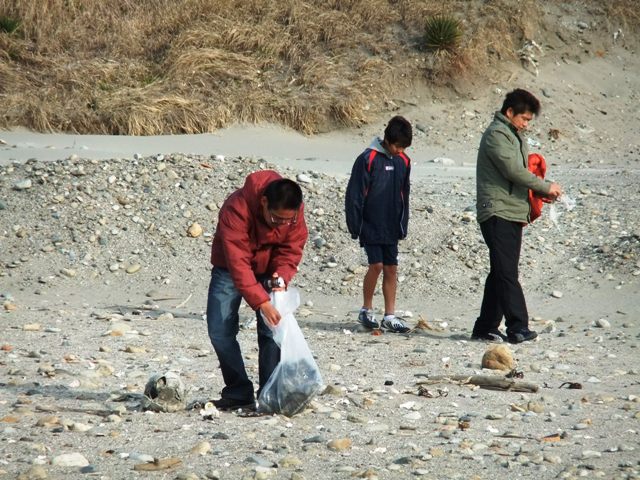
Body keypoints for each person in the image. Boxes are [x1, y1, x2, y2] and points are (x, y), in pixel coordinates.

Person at [206, 170, 308, 410]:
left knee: (271, 332)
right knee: (219, 330)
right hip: (229, 269)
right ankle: (238, 391)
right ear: (264, 203)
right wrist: (261, 302)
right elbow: (237, 262)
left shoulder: (293, 211)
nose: (283, 224)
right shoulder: (236, 208)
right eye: (277, 219)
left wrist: (281, 276)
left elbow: (292, 248)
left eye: (288, 220)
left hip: (269, 270)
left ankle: (269, 395)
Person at [473, 89, 562, 344]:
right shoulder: (496, 135)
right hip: (497, 210)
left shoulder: (513, 135)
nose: (525, 124)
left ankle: (485, 326)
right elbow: (513, 170)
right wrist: (545, 186)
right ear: (509, 112)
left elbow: (520, 170)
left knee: (501, 270)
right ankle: (517, 327)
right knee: (506, 272)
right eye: (524, 119)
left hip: (512, 210)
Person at [345, 115, 413, 333]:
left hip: (392, 225)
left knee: (391, 268)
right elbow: (355, 194)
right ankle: (366, 309)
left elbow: (405, 195)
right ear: (386, 139)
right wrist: (355, 225)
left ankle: (389, 315)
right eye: (397, 146)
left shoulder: (404, 161)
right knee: (376, 266)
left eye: (404, 147)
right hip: (370, 224)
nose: (400, 150)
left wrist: (403, 223)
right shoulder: (368, 159)